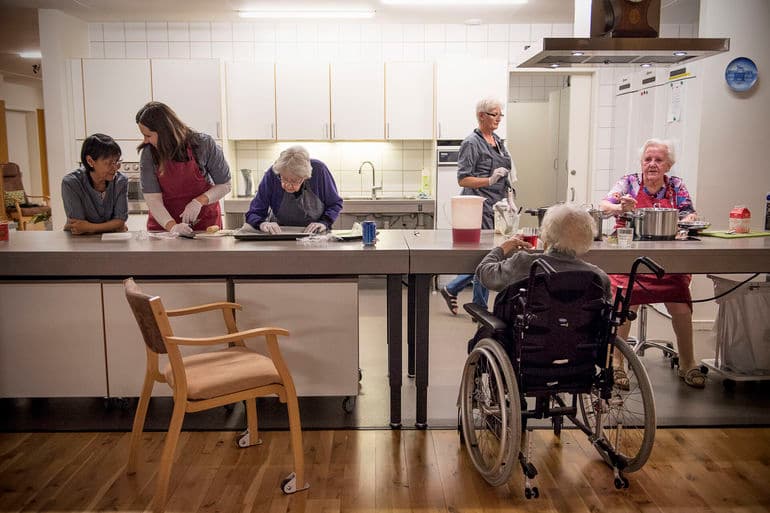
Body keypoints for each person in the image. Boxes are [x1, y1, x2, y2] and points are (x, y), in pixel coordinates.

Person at [599, 138, 704, 388]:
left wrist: (686, 221)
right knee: (624, 296)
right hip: (629, 258)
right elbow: (604, 206)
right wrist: (619, 207)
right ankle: (617, 363)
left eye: (658, 160)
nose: (652, 164)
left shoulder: (676, 186)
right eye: (648, 159)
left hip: (667, 260)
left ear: (668, 165)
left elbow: (690, 213)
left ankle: (688, 362)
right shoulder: (629, 182)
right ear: (641, 162)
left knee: (680, 299)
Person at [473, 203, 612, 353]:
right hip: (578, 355)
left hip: (524, 351)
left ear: (546, 232)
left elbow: (484, 273)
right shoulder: (598, 278)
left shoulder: (524, 264)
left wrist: (503, 247)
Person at [440, 97, 516, 315]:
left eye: (501, 115)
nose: (498, 119)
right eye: (495, 114)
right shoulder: (471, 143)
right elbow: (463, 179)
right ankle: (480, 308)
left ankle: (452, 288)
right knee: (486, 256)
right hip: (477, 206)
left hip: (498, 206)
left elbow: (506, 172)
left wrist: (510, 197)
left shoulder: (498, 141)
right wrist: (489, 180)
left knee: (492, 255)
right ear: (481, 115)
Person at [135, 101, 231, 234]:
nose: (145, 141)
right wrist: (173, 227)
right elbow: (153, 199)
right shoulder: (149, 154)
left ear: (164, 132)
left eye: (148, 135)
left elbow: (225, 185)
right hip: (165, 227)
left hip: (204, 224)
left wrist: (199, 201)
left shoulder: (204, 145)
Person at [245, 145, 343, 234]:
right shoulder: (273, 173)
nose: (287, 185)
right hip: (278, 234)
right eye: (284, 178)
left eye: (294, 181)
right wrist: (262, 224)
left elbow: (335, 203)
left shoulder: (319, 170)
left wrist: (324, 222)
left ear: (305, 177)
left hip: (315, 235)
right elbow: (254, 212)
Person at [62, 133, 128, 235]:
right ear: (90, 161)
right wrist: (112, 226)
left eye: (117, 161)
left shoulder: (121, 181)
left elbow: (120, 220)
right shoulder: (71, 183)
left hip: (111, 243)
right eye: (109, 163)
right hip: (79, 243)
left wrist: (89, 227)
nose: (115, 168)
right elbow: (77, 226)